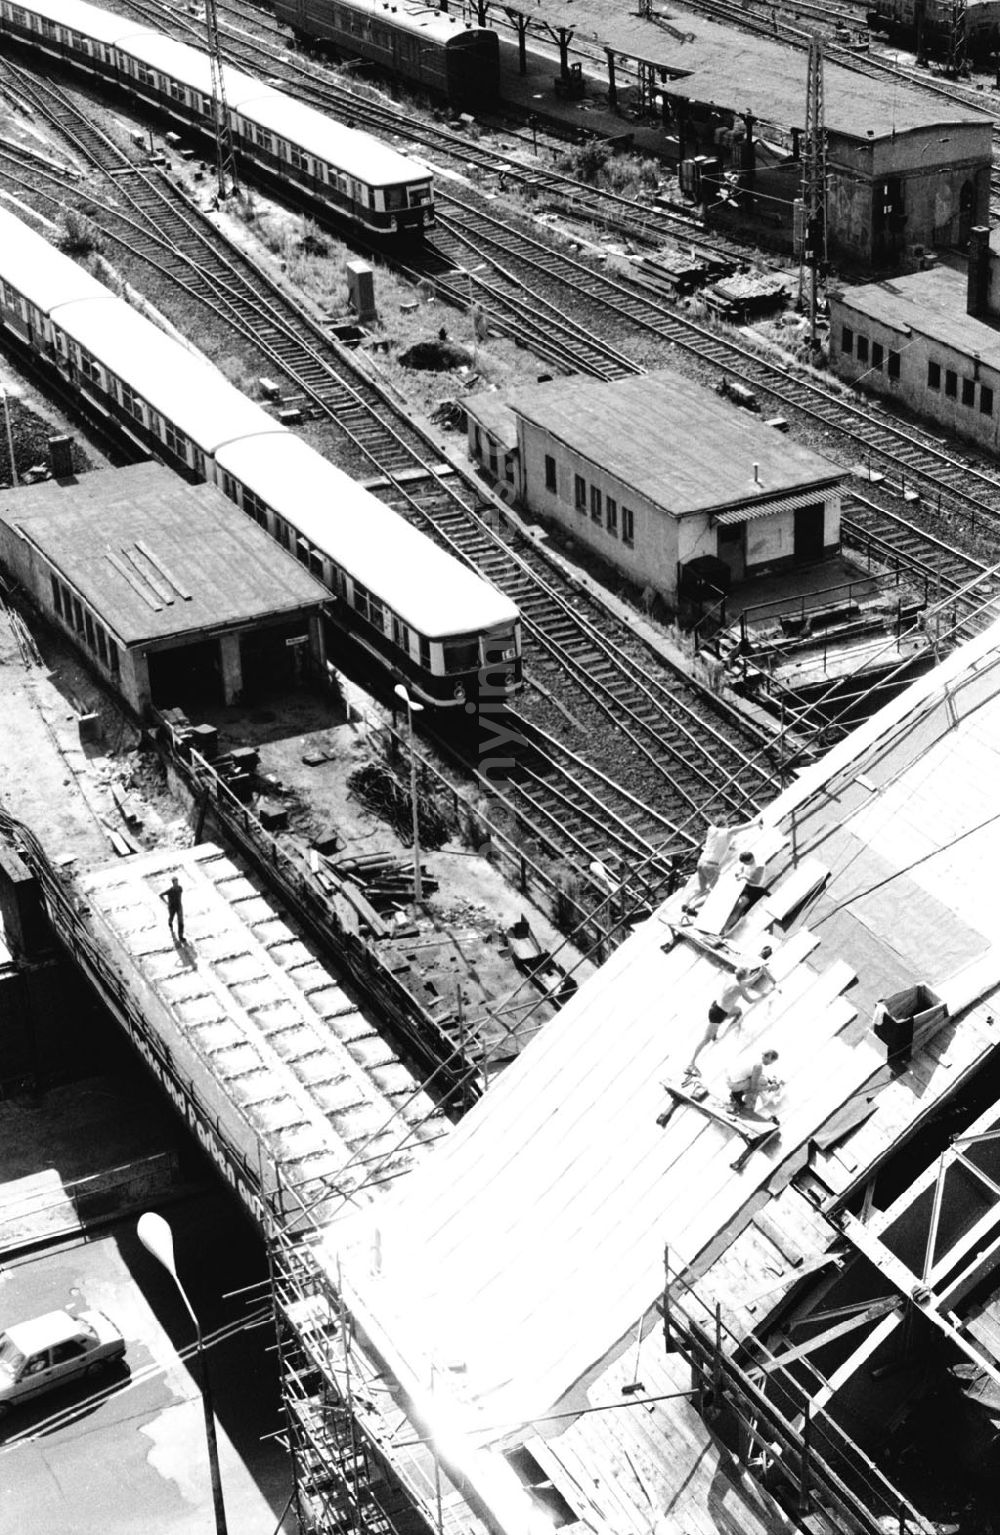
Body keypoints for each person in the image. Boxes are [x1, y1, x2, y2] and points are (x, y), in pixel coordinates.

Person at [686, 966, 762, 1072]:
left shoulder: (732, 978)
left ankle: (719, 1034)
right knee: (706, 1039)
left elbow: (746, 983)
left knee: (738, 1011)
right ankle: (691, 1063)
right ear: (745, 976)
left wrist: (759, 974)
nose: (749, 975)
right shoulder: (739, 988)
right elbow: (750, 1000)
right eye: (748, 974)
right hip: (719, 1014)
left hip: (716, 1007)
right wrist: (763, 995)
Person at [725, 849, 770, 932]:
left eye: (746, 862)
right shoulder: (747, 863)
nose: (745, 864)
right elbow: (743, 867)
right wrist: (739, 872)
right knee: (734, 905)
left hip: (754, 889)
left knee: (740, 905)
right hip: (746, 886)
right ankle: (725, 925)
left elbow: (756, 881)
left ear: (751, 859)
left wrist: (743, 876)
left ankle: (727, 927)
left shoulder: (759, 866)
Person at [727, 1048, 780, 1115]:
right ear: (769, 1058)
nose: (771, 1063)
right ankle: (739, 1097)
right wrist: (770, 1087)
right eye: (772, 1061)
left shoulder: (754, 1058)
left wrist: (769, 1081)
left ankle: (738, 1095)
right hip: (733, 1084)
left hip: (729, 1078)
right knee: (761, 1083)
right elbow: (753, 1087)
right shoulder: (759, 1066)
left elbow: (754, 1074)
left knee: (763, 1080)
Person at [161, 875, 185, 942]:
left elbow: (180, 896)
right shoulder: (170, 890)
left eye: (177, 882)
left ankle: (181, 936)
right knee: (171, 917)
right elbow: (161, 895)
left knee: (181, 921)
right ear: (173, 883)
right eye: (175, 882)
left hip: (179, 906)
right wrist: (166, 902)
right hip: (172, 907)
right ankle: (170, 923)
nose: (177, 883)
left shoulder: (180, 888)